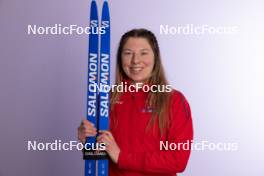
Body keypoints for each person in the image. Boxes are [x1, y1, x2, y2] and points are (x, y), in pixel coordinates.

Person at [78, 28, 193, 176]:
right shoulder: (107, 98)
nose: (135, 60)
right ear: (120, 58)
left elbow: (178, 160)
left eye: (143, 53)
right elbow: (99, 156)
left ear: (155, 57)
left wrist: (122, 157)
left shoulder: (174, 100)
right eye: (128, 53)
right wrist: (87, 140)